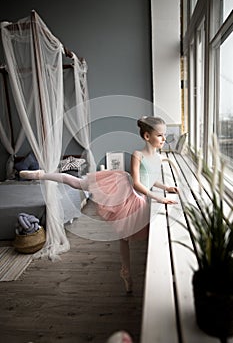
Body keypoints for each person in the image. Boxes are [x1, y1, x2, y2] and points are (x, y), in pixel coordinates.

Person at [20, 116, 178, 293]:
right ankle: (40, 175)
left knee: (126, 237)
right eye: (160, 136)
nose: (164, 139)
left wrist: (166, 187)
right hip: (125, 189)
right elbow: (137, 182)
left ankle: (128, 273)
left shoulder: (157, 157)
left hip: (138, 199)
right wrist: (159, 198)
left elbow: (151, 179)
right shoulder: (138, 154)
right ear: (147, 136)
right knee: (79, 183)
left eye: (165, 136)